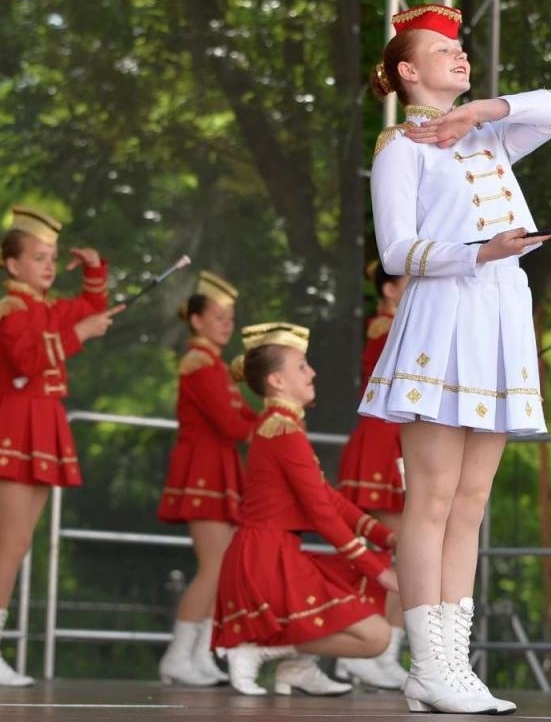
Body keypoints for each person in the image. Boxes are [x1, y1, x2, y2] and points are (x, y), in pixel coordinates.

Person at [359, 3, 551, 714]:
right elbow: (398, 252)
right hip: (443, 314)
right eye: (441, 51)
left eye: (460, 50)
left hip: (499, 316)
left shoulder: (490, 132)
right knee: (431, 497)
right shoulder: (399, 147)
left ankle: (454, 664)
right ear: (406, 71)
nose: (459, 57)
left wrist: (478, 111)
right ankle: (430, 664)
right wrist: (479, 252)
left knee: (472, 502)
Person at [0, 205, 119, 686]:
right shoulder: (11, 309)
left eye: (52, 257)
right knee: (11, 542)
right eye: (38, 257)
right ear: (12, 265)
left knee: (21, 542)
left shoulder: (47, 307)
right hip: (16, 420)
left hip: (43, 421)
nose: (49, 265)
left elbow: (90, 306)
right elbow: (26, 360)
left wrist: (93, 268)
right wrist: (79, 334)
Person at [212, 323, 398, 696]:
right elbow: (321, 512)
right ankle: (258, 649)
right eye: (301, 366)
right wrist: (376, 569)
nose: (311, 372)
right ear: (277, 381)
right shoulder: (282, 430)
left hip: (276, 552)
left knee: (365, 610)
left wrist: (384, 536)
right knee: (376, 637)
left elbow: (327, 497)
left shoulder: (283, 426)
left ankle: (296, 666)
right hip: (265, 559)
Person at [156, 271, 260, 687]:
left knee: (223, 569)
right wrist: (272, 429)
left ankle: (199, 655)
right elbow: (229, 423)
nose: (226, 324)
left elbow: (243, 415)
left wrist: (276, 418)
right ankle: (178, 656)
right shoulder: (198, 363)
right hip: (203, 469)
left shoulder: (215, 365)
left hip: (219, 468)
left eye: (229, 318)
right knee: (214, 567)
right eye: (218, 317)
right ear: (196, 321)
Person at [333, 260, 412, 690]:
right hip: (383, 444)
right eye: (408, 282)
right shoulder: (387, 326)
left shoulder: (401, 325)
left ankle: (380, 652)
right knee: (395, 553)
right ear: (388, 290)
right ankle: (366, 651)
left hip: (397, 441)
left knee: (401, 555)